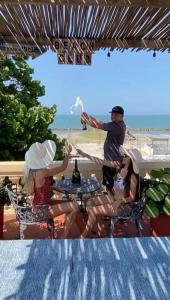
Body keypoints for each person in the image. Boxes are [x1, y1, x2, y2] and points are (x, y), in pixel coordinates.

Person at [76, 147, 140, 238]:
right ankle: (99, 233)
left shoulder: (132, 177)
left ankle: (83, 235)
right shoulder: (118, 166)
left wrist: (120, 201)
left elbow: (132, 198)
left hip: (124, 205)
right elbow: (101, 161)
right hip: (113, 198)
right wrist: (84, 154)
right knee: (91, 203)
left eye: (126, 156)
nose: (122, 157)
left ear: (131, 160)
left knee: (94, 210)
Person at [22, 140, 79, 238]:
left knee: (70, 202)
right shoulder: (42, 172)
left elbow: (38, 188)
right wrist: (67, 153)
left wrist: (52, 187)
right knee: (75, 206)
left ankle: (71, 229)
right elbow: (63, 167)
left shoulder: (33, 171)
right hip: (42, 210)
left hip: (39, 206)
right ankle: (63, 237)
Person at [81, 106, 126, 191]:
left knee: (111, 188)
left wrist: (86, 119)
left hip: (112, 162)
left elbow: (98, 125)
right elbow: (101, 123)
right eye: (112, 114)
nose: (113, 116)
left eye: (116, 114)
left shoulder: (117, 125)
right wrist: (89, 117)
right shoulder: (117, 124)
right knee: (111, 187)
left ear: (122, 116)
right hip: (110, 161)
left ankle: (110, 202)